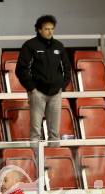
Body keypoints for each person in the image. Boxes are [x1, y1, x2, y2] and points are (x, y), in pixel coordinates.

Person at [16, 14, 71, 143]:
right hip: (38, 93)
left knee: (54, 133)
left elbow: (67, 69)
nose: (50, 31)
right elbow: (21, 69)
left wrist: (61, 87)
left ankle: (54, 160)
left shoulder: (59, 46)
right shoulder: (30, 45)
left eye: (52, 28)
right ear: (39, 30)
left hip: (55, 94)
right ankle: (36, 161)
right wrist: (32, 88)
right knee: (35, 132)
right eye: (46, 29)